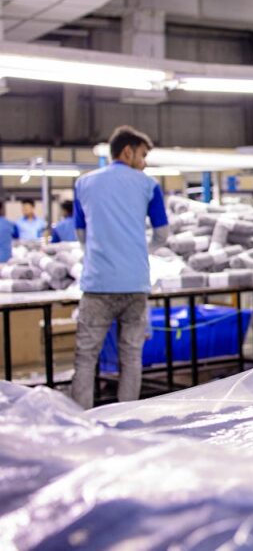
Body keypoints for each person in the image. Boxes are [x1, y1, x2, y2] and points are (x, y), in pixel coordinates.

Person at [70, 126, 169, 409]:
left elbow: (81, 234)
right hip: (135, 284)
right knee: (131, 355)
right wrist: (138, 251)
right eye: (143, 155)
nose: (144, 162)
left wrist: (103, 253)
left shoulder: (83, 184)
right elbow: (162, 234)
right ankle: (126, 417)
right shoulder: (148, 185)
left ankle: (80, 420)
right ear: (127, 151)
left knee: (86, 357)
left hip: (97, 285)